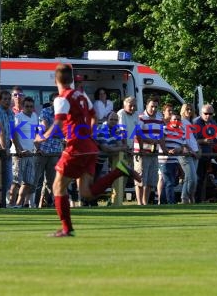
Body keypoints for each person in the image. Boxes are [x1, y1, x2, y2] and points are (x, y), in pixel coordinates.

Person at [34, 64, 141, 237]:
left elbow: (59, 123)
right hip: (90, 146)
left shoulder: (62, 98)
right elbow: (94, 116)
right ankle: (119, 171)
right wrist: (89, 134)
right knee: (86, 192)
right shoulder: (81, 94)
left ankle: (67, 229)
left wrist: (43, 137)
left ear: (56, 80)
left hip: (76, 147)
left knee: (57, 186)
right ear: (71, 79)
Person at [91, 111, 129, 206]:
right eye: (111, 119)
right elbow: (106, 148)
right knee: (91, 181)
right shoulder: (102, 129)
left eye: (115, 120)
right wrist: (120, 148)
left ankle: (92, 201)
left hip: (100, 160)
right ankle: (88, 202)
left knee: (96, 181)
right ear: (106, 120)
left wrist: (120, 147)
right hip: (91, 160)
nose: (113, 121)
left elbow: (121, 145)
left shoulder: (116, 130)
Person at [133, 97, 166, 205]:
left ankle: (145, 203)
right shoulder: (141, 118)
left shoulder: (160, 119)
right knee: (140, 179)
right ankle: (139, 203)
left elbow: (161, 136)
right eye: (152, 106)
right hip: (142, 153)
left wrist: (164, 149)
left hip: (154, 153)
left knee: (151, 181)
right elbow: (137, 133)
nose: (154, 108)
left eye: (156, 106)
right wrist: (149, 141)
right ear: (146, 106)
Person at [34, 92, 62, 208]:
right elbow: (45, 130)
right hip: (43, 150)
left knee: (52, 181)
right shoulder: (45, 111)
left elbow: (63, 132)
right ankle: (32, 204)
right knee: (37, 180)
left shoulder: (63, 114)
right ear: (51, 102)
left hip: (55, 151)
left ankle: (52, 204)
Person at [12, 96, 39, 208]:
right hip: (20, 154)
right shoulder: (18, 117)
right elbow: (13, 134)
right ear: (22, 107)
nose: (29, 108)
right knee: (16, 181)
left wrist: (38, 148)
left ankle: (18, 204)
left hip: (31, 153)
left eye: (31, 106)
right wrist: (19, 149)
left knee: (28, 182)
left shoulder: (35, 116)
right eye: (27, 106)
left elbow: (36, 134)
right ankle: (10, 204)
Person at [179, 103, 199, 204]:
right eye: (187, 109)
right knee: (192, 178)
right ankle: (191, 196)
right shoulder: (181, 122)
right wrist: (191, 151)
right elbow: (183, 140)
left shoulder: (191, 123)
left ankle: (184, 198)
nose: (189, 111)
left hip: (194, 152)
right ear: (183, 110)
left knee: (188, 178)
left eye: (191, 109)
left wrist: (197, 150)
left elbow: (194, 139)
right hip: (185, 153)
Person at [8, 86, 25, 204]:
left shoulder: (30, 111)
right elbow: (10, 132)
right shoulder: (10, 112)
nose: (18, 97)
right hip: (15, 150)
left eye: (20, 95)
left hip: (28, 150)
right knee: (15, 178)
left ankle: (24, 203)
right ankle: (11, 203)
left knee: (27, 180)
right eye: (15, 95)